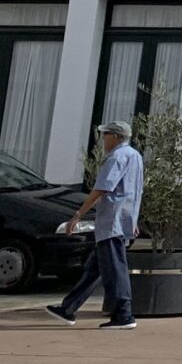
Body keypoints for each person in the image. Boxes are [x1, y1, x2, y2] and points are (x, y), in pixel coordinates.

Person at [45, 119, 144, 328]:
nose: (103, 140)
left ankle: (123, 314)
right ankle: (68, 308)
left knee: (115, 268)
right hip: (123, 220)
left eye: (106, 134)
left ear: (115, 137)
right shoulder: (135, 157)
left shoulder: (116, 158)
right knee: (95, 268)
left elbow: (102, 189)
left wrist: (78, 214)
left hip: (111, 222)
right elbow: (136, 191)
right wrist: (133, 219)